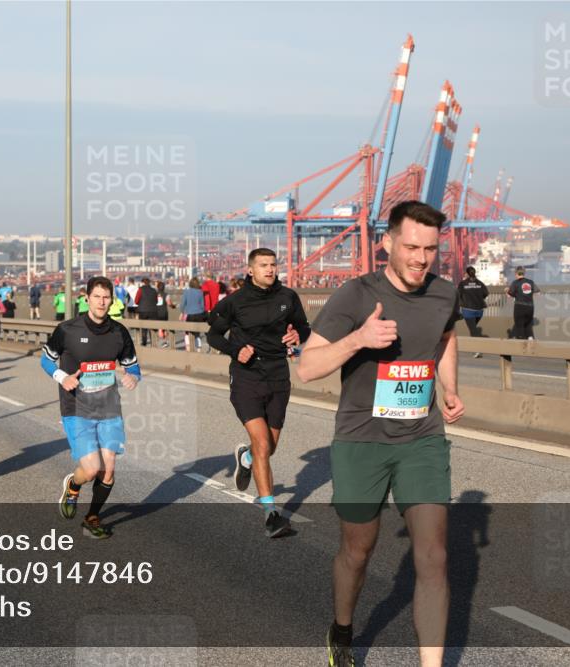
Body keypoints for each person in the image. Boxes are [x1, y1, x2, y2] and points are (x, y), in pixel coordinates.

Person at [296, 200, 465, 667]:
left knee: (433, 556)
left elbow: (446, 338)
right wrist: (358, 340)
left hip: (422, 439)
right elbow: (307, 367)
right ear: (387, 243)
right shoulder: (355, 295)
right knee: (358, 549)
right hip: (360, 441)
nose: (420, 258)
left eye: (429, 249)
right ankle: (342, 629)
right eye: (411, 247)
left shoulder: (444, 294)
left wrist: (450, 387)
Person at [208, 248, 310, 537]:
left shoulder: (288, 297)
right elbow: (213, 334)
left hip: (278, 375)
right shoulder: (235, 301)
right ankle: (271, 515)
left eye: (273, 264)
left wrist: (298, 335)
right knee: (263, 444)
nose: (270, 269)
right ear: (251, 270)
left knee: (269, 447)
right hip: (246, 377)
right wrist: (235, 350)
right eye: (263, 265)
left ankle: (246, 458)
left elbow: (304, 327)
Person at [41, 276, 141, 539]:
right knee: (92, 469)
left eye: (106, 297)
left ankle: (92, 518)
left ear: (112, 300)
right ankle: (73, 485)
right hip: (76, 407)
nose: (101, 302)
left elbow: (132, 366)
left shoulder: (119, 332)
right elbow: (46, 360)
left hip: (109, 407)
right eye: (96, 296)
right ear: (86, 299)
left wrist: (133, 377)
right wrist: (63, 377)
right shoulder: (67, 330)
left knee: (108, 469)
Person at [457, 266, 488, 357]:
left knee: (473, 330)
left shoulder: (462, 284)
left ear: (466, 274)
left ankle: (477, 350)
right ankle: (474, 347)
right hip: (479, 311)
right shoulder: (480, 283)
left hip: (468, 310)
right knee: (473, 328)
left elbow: (458, 295)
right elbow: (486, 293)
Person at [507, 266, 539, 340]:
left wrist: (507, 291)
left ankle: (521, 341)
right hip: (530, 306)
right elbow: (537, 292)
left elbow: (510, 294)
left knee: (519, 325)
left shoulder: (515, 283)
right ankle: (530, 339)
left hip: (519, 306)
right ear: (524, 273)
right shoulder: (530, 282)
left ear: (516, 273)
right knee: (528, 324)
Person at [180, 277, 206, 352]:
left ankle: (188, 349)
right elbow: (202, 306)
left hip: (189, 314)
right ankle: (198, 349)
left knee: (187, 332)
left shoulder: (186, 292)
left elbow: (182, 304)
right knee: (197, 333)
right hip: (199, 314)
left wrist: (182, 312)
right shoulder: (200, 292)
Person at [134, 277, 159, 347]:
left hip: (142, 311)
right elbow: (156, 301)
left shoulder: (140, 290)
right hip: (153, 310)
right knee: (152, 327)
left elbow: (136, 301)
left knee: (144, 327)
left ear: (143, 283)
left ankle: (144, 343)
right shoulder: (154, 290)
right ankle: (153, 343)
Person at [155, 281, 175, 348]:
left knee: (159, 327)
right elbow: (169, 303)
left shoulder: (155, 294)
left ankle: (162, 341)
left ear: (157, 287)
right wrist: (173, 306)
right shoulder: (166, 295)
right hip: (164, 312)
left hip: (157, 312)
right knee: (165, 327)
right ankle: (165, 341)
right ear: (164, 288)